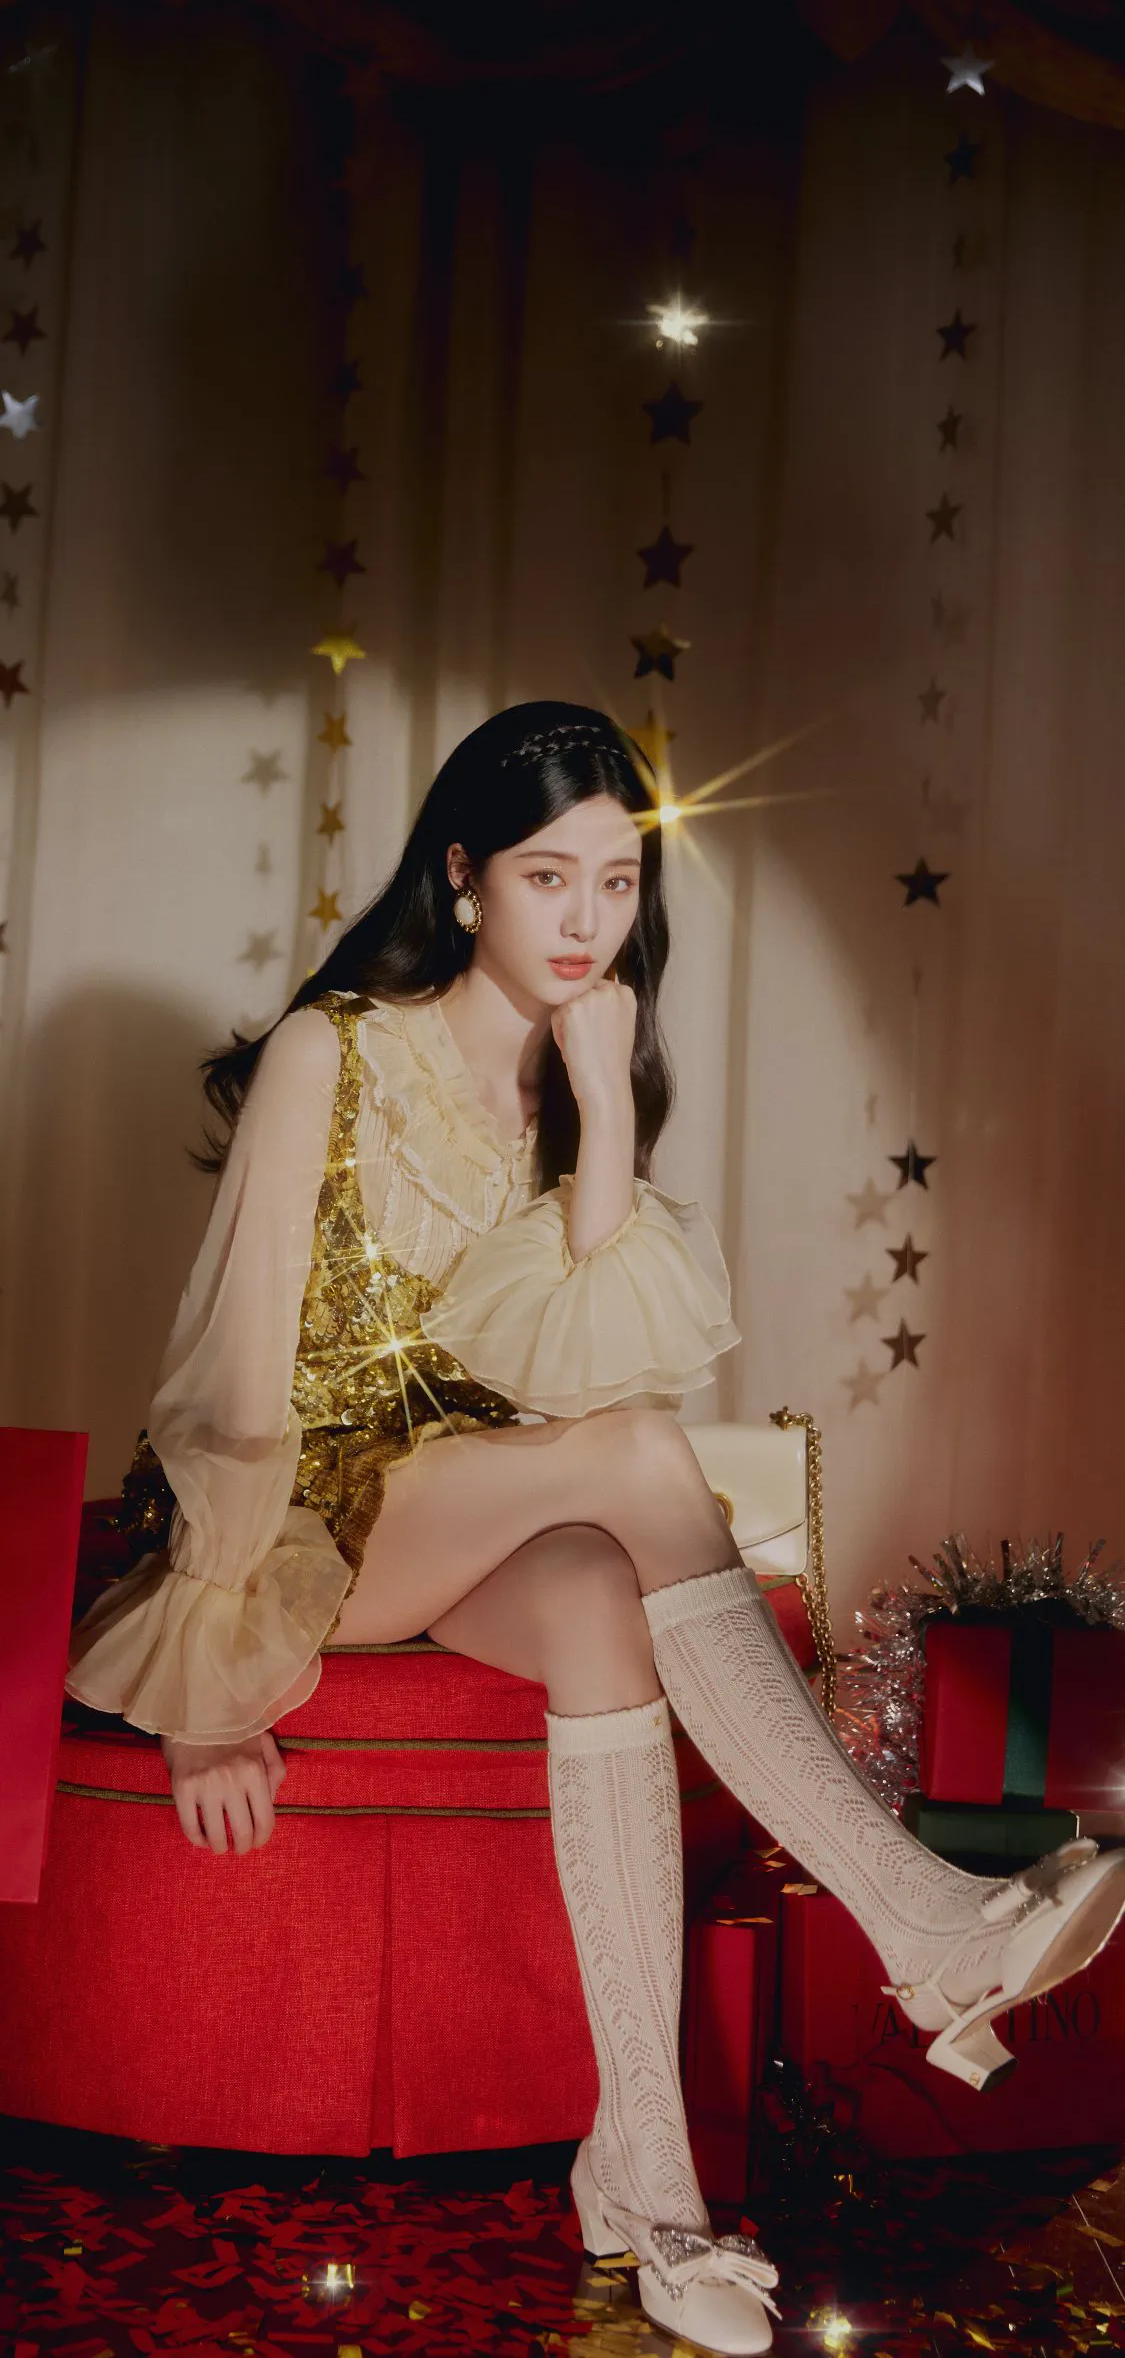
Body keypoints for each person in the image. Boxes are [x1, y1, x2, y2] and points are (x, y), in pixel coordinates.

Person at [65, 700, 1125, 2357]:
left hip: (476, 1507)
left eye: (618, 883)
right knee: (635, 1456)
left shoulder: (573, 1064)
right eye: (546, 877)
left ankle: (646, 2185)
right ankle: (920, 1921)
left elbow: (576, 1360)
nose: (584, 920)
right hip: (315, 1518)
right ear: (464, 875)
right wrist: (212, 1675)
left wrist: (607, 1114)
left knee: (594, 1600)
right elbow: (232, 1372)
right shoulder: (334, 1049)